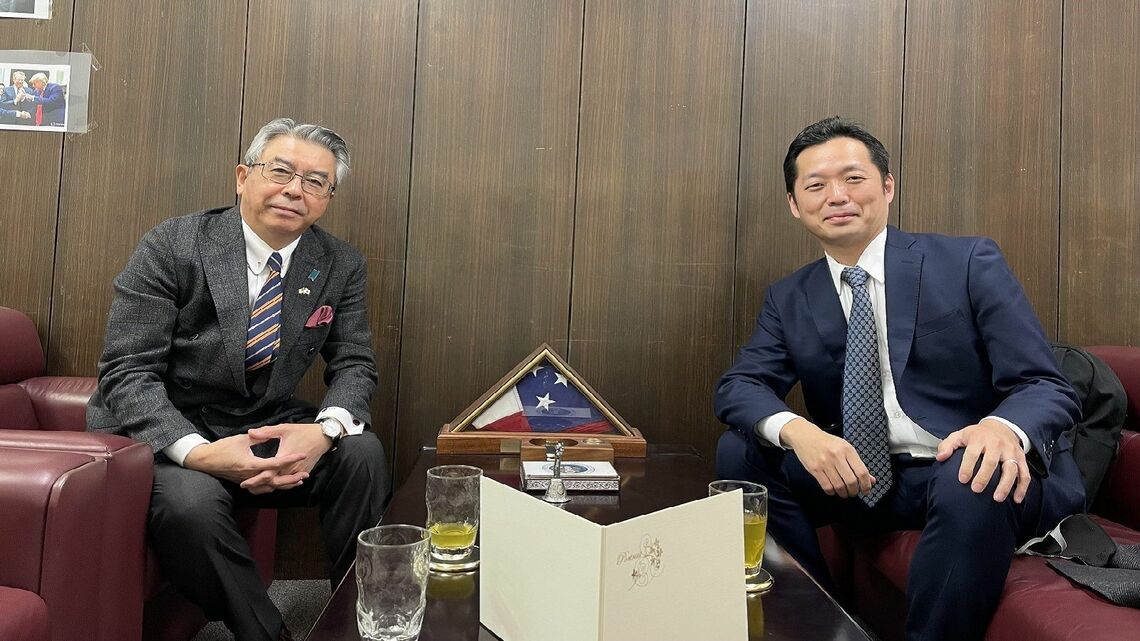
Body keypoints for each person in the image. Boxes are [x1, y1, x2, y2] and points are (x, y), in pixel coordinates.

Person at [714, 117, 1085, 641]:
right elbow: (738, 386)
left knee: (971, 472)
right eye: (816, 186)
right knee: (741, 455)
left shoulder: (967, 261)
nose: (837, 196)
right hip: (870, 477)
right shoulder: (790, 296)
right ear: (795, 205)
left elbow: (1045, 386)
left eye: (854, 179)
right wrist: (803, 432)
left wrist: (1000, 429)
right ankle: (818, 627)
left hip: (968, 472)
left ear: (887, 187)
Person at [87, 118, 391, 641]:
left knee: (362, 455)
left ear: (327, 198)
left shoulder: (339, 263)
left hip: (260, 423)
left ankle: (362, 625)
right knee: (191, 506)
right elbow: (127, 370)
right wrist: (199, 453)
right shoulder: (174, 243)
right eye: (281, 171)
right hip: (174, 423)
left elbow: (355, 363)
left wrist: (326, 431)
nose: (295, 190)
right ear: (243, 176)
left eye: (316, 182)